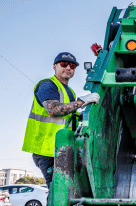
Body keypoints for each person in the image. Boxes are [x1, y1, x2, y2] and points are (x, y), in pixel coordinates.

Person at [22, 52, 100, 185]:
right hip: (47, 149)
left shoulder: (69, 91)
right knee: (56, 192)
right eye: (63, 64)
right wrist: (81, 102)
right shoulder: (47, 85)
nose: (68, 68)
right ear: (54, 66)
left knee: (63, 192)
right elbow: (53, 110)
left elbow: (68, 118)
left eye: (72, 66)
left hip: (61, 148)